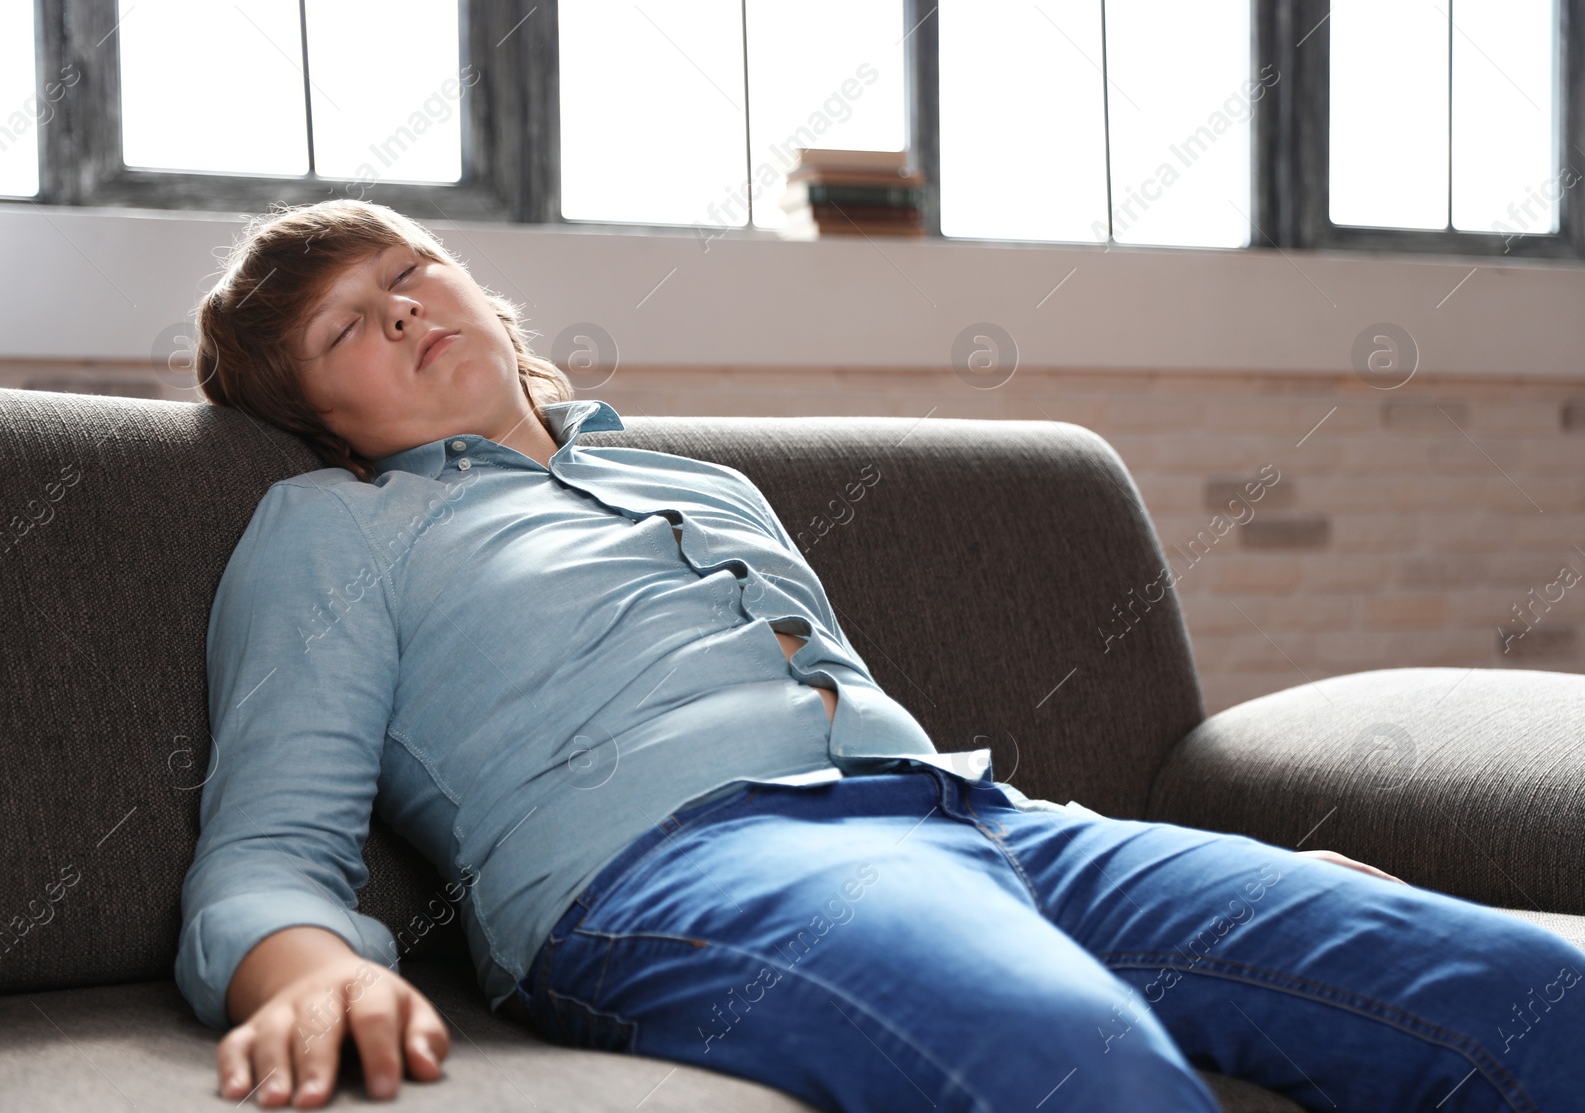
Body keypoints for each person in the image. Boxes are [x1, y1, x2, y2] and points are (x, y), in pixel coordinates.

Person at [178, 198, 1584, 1112]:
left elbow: (860, 744)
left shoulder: (709, 486)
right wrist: (303, 973)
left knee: (1523, 986)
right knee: (1078, 1061)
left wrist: (1248, 887)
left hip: (981, 818)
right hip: (680, 869)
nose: (406, 310)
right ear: (320, 416)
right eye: (347, 326)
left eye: (414, 273)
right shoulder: (330, 530)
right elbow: (264, 846)